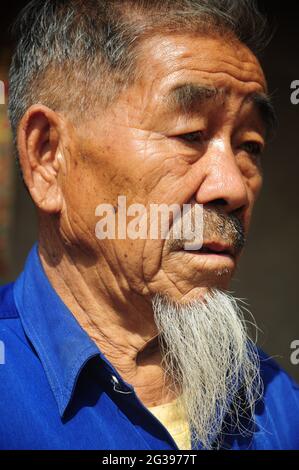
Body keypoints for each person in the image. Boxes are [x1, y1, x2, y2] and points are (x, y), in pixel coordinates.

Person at [0, 0, 298, 450]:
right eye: (190, 135)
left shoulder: (277, 407)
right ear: (48, 157)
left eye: (250, 145)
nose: (233, 187)